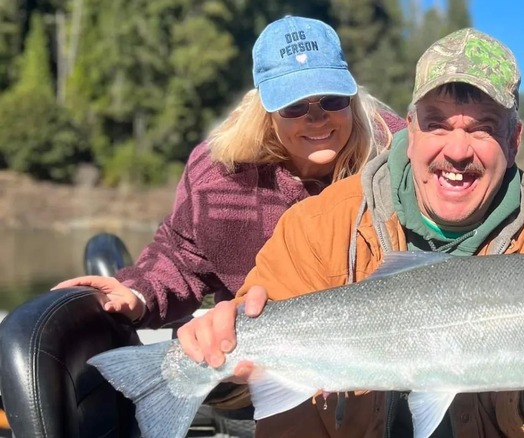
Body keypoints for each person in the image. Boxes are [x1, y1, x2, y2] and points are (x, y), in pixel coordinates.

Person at [177, 28, 524, 437]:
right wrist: (214, 362)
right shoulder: (318, 227)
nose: (456, 150)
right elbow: (249, 388)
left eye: (483, 129)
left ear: (514, 141)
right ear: (409, 129)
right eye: (437, 124)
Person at [53, 16, 405, 328]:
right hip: (260, 356)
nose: (317, 118)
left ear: (352, 95)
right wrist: (136, 293)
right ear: (265, 110)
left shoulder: (401, 152)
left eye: (332, 99)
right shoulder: (220, 172)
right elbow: (182, 258)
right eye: (294, 105)